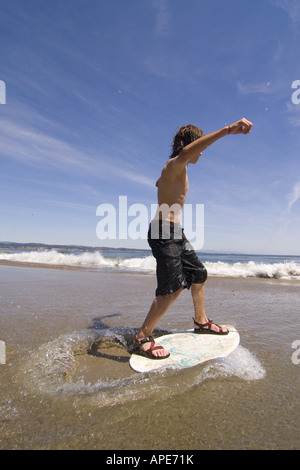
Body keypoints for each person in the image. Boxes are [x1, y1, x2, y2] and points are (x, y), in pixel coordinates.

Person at [133, 118, 253, 359]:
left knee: (198, 274)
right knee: (173, 286)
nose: (202, 153)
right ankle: (143, 335)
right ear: (188, 146)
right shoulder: (176, 163)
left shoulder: (175, 168)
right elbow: (187, 152)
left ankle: (201, 321)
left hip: (176, 232)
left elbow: (160, 181)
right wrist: (228, 130)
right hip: (162, 232)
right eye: (201, 147)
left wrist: (162, 182)